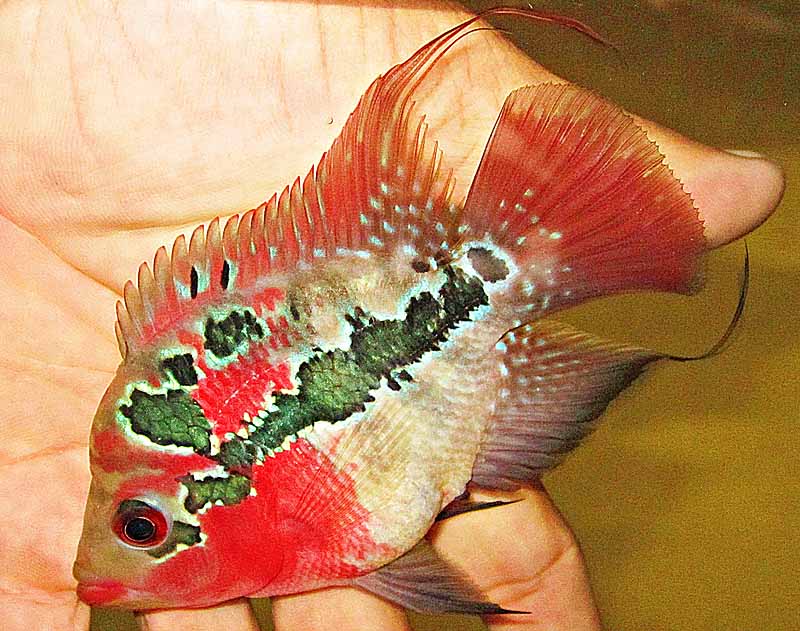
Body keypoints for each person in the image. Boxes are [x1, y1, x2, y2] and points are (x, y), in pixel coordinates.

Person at [0, 2, 783, 631]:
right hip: (419, 335)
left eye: (141, 527)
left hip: (413, 327)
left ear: (211, 492)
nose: (109, 555)